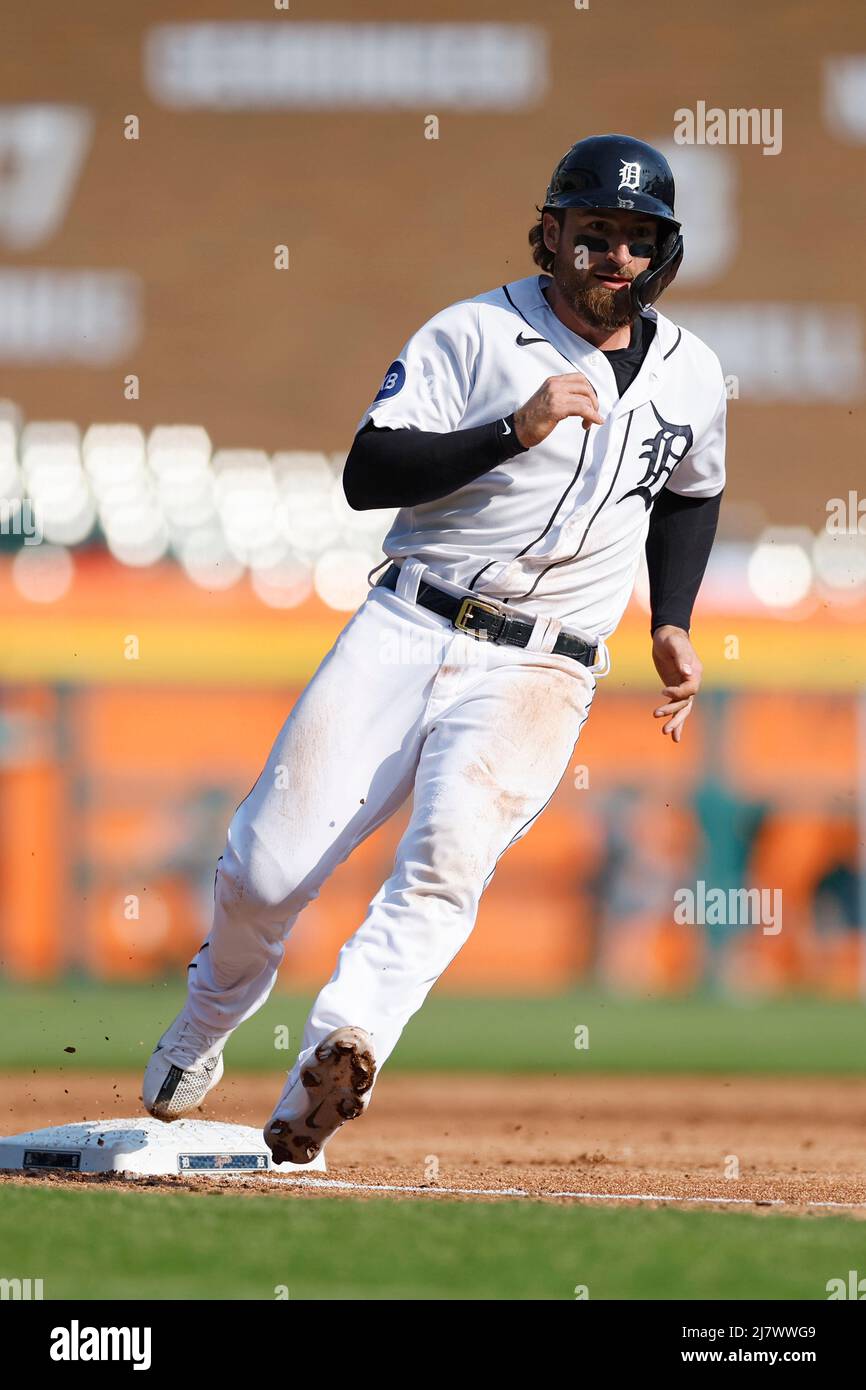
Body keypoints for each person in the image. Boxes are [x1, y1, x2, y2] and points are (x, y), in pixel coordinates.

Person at [143, 134, 725, 1166]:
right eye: (594, 234)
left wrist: (669, 619)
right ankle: (201, 1028)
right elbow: (369, 470)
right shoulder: (474, 333)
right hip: (411, 623)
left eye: (638, 239)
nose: (614, 258)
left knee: (445, 864)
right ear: (550, 236)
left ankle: (338, 1054)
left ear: (664, 252)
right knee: (266, 873)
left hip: (543, 666)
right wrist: (513, 428)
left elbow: (689, 492)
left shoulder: (692, 374)